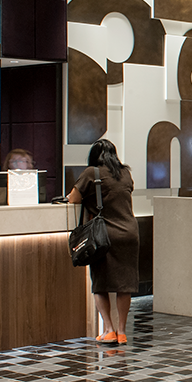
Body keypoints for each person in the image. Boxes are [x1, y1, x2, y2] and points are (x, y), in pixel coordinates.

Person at [67, 139, 140, 344]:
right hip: (130, 233)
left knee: (100, 284)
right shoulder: (125, 173)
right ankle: (122, 332)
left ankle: (108, 330)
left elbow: (73, 198)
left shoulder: (92, 173)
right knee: (124, 285)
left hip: (104, 234)